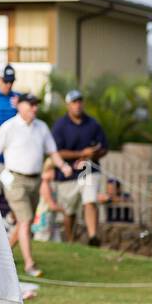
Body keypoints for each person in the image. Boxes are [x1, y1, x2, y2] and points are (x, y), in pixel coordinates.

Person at [0, 93, 71, 277]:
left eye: (36, 105)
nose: (34, 108)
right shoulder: (9, 126)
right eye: (30, 104)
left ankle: (2, 255)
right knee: (25, 219)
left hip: (35, 180)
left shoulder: (42, 127)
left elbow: (52, 152)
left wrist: (63, 166)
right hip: (14, 180)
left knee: (26, 221)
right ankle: (29, 264)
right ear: (20, 106)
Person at [51, 89, 109, 246]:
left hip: (88, 168)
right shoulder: (60, 126)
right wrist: (81, 153)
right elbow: (57, 152)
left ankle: (92, 236)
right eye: (74, 102)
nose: (77, 105)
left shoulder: (93, 124)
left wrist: (93, 154)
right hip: (67, 172)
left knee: (90, 200)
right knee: (69, 211)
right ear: (68, 105)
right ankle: (70, 239)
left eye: (79, 101)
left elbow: (104, 148)